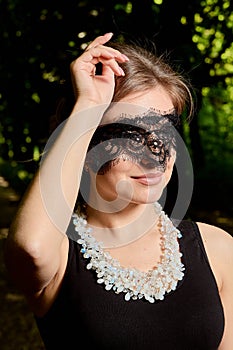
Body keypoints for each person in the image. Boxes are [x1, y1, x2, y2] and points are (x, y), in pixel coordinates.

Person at [4, 32, 233, 349]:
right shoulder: (58, 254)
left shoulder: (219, 250)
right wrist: (88, 105)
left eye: (165, 132)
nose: (155, 154)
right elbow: (30, 248)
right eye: (130, 134)